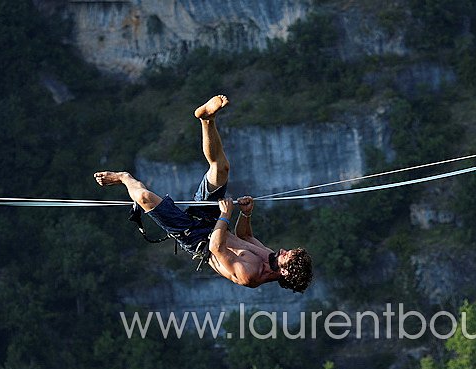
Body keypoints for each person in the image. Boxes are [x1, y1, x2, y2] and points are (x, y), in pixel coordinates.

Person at [94, 95, 313, 292]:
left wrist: (225, 215)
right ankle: (207, 119)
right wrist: (246, 214)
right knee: (221, 169)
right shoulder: (270, 256)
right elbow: (245, 237)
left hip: (196, 237)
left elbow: (216, 248)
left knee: (144, 198)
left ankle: (123, 177)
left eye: (287, 255)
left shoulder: (250, 275)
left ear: (285, 272)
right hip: (214, 222)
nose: (283, 250)